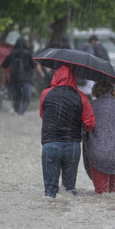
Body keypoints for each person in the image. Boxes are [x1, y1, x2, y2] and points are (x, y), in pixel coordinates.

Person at [39, 64, 95, 198]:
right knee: (69, 190)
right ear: (73, 78)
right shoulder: (81, 97)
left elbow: (42, 114)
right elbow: (90, 124)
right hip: (72, 146)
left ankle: (48, 216)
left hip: (50, 144)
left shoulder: (46, 93)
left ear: (56, 76)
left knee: (50, 192)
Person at [1, 37, 44, 115]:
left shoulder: (12, 53)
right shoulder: (28, 53)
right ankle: (21, 112)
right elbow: (36, 65)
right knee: (26, 98)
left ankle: (16, 111)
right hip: (25, 79)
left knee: (16, 96)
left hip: (14, 79)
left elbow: (3, 66)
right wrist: (42, 74)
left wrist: (2, 78)